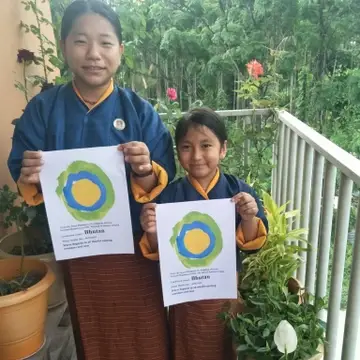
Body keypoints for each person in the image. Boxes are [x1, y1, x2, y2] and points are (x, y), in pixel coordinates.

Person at [8, 1, 176, 359]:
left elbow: (164, 175)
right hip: (80, 247)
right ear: (64, 46)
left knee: (144, 329)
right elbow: (22, 166)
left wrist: (145, 171)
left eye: (105, 42)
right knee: (93, 327)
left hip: (134, 250)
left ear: (121, 51)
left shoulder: (138, 110)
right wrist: (30, 173)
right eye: (81, 41)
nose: (94, 54)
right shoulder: (45, 109)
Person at [139, 107, 268, 360]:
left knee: (227, 346)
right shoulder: (168, 196)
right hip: (185, 299)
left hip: (225, 292)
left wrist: (249, 217)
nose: (197, 156)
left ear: (223, 149)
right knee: (187, 348)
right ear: (178, 152)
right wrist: (152, 229)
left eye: (206, 145)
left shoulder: (239, 191)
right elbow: (158, 251)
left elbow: (251, 244)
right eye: (187, 147)